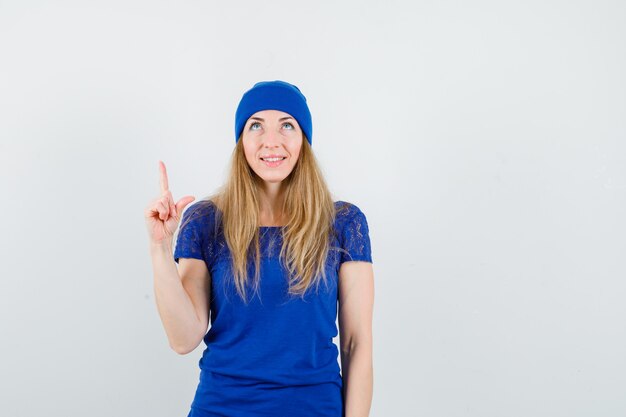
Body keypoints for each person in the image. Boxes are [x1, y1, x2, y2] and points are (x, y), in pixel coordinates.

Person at [145, 80, 374, 417]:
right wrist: (160, 249)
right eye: (256, 125)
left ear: (303, 139)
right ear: (241, 141)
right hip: (221, 408)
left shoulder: (343, 223)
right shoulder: (206, 220)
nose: (272, 141)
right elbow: (183, 339)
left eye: (287, 125)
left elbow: (357, 345)